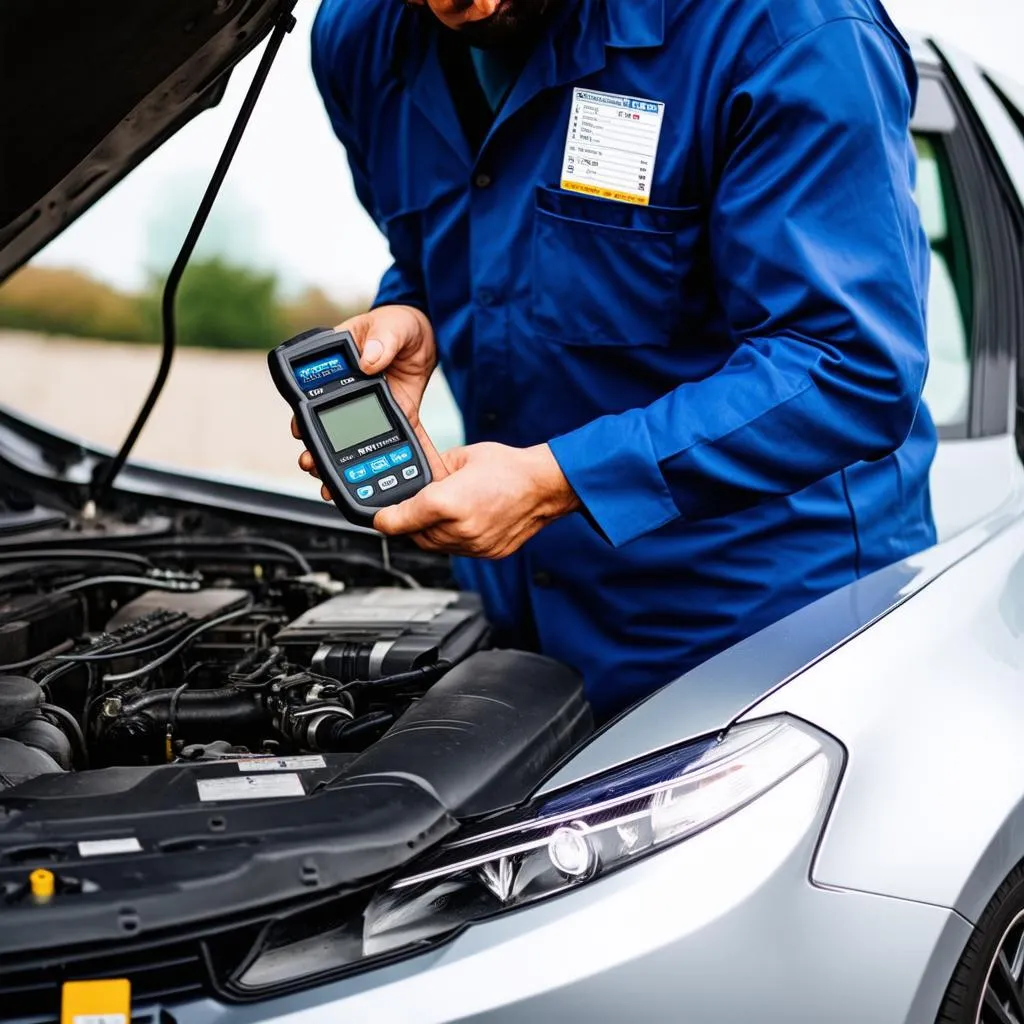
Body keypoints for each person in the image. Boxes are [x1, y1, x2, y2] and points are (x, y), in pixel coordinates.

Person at [296, 0, 937, 721]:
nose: (456, 4)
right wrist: (411, 311)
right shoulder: (360, 37)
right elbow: (442, 248)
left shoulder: (786, 31)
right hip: (518, 632)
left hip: (768, 642)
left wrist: (557, 480)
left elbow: (848, 367)